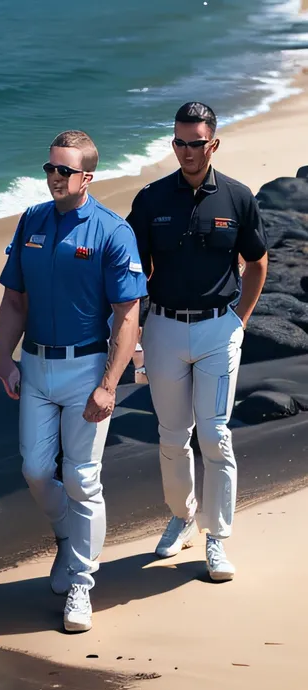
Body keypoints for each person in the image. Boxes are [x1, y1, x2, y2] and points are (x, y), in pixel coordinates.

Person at [0, 130, 147, 632]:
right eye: (49, 169)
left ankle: (82, 583)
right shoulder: (32, 221)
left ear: (87, 176)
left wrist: (110, 384)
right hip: (35, 367)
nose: (54, 178)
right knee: (37, 471)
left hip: (87, 369)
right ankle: (67, 536)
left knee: (82, 478)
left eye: (64, 171)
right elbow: (14, 299)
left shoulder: (112, 231)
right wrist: (4, 360)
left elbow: (128, 315)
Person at [127, 102, 268, 581]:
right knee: (172, 436)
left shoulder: (237, 196)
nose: (187, 151)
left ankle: (216, 538)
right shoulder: (150, 200)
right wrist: (137, 336)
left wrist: (240, 320)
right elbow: (131, 272)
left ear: (214, 143)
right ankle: (182, 515)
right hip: (163, 328)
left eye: (196, 142)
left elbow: (257, 262)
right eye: (180, 142)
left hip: (218, 329)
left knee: (215, 435)